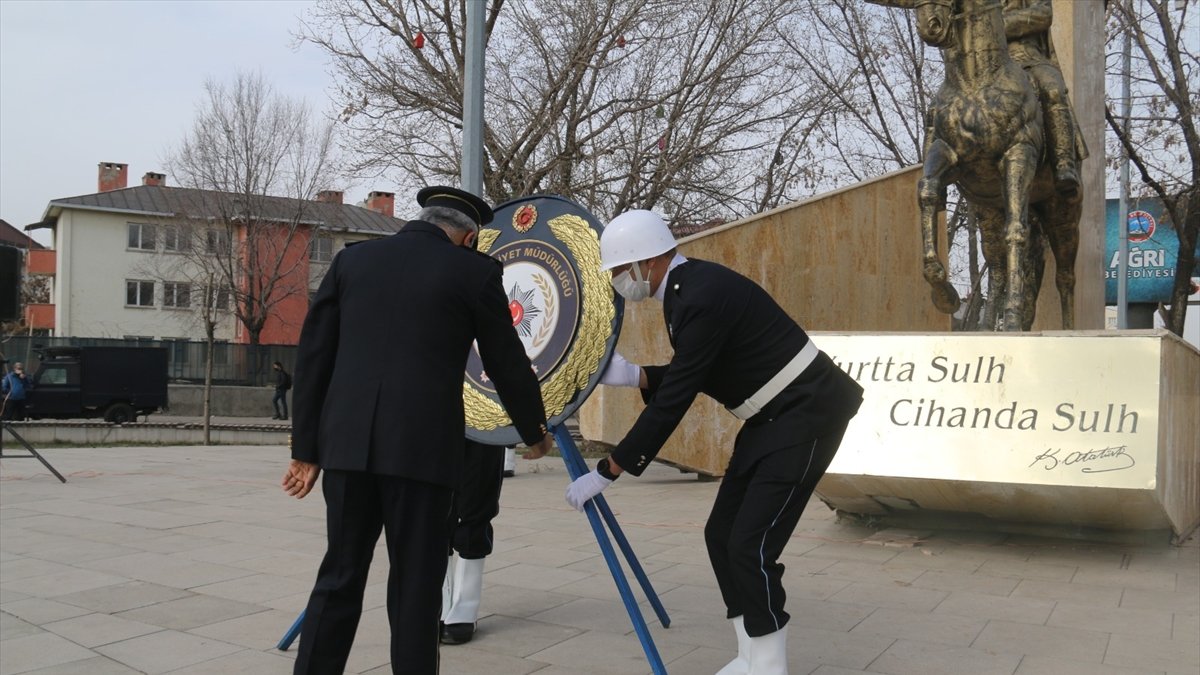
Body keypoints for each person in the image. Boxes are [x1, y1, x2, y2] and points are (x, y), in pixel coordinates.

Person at [566, 210, 864, 675]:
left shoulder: (698, 296)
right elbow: (701, 368)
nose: (620, 280)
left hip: (808, 413)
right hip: (771, 417)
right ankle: (749, 654)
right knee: (720, 534)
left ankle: (769, 664)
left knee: (750, 545)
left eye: (622, 270)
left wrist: (610, 469)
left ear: (649, 261)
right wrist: (637, 375)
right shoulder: (687, 290)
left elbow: (677, 398)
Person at [282, 186, 553, 675]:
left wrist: (306, 449)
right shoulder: (473, 272)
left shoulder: (352, 261)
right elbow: (506, 361)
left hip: (347, 450)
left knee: (339, 575)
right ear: (468, 237)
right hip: (422, 454)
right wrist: (534, 430)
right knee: (415, 588)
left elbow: (314, 357)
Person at [1003, 0, 1086, 194]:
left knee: (1052, 88)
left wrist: (998, 25)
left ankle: (1063, 163)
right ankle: (937, 186)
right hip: (981, 61)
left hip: (1024, 56)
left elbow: (1043, 14)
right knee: (941, 107)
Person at [440, 439, 511, 645]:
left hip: (483, 425)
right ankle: (439, 604)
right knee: (436, 513)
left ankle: (465, 606)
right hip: (432, 424)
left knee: (477, 507)